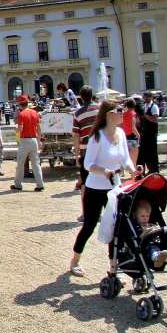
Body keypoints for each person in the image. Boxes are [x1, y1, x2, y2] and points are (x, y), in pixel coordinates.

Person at [70, 101, 133, 277]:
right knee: (89, 226)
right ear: (108, 114)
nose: (123, 113)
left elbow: (126, 159)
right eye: (119, 110)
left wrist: (134, 169)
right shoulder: (96, 137)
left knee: (117, 228)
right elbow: (88, 163)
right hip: (95, 188)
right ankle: (75, 260)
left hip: (115, 188)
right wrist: (104, 171)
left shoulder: (120, 133)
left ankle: (113, 267)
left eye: (123, 110)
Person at [10, 95, 44, 192]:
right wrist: (39, 140)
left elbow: (20, 129)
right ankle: (40, 184)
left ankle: (18, 184)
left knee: (20, 163)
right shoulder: (35, 113)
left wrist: (15, 129)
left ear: (20, 104)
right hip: (34, 140)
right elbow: (39, 128)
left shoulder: (21, 114)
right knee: (36, 164)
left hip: (25, 140)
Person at [72, 86, 98, 192]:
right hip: (99, 144)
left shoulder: (78, 113)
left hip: (85, 147)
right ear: (92, 96)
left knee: (85, 170)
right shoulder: (100, 109)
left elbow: (76, 135)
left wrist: (76, 152)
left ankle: (85, 189)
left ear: (81, 98)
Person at [137, 92, 160, 174]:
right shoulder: (145, 106)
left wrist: (145, 115)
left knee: (152, 152)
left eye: (147, 97)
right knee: (144, 152)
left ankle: (154, 170)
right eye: (144, 97)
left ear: (151, 97)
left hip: (151, 134)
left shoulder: (154, 107)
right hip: (145, 133)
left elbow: (155, 119)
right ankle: (146, 170)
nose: (145, 99)